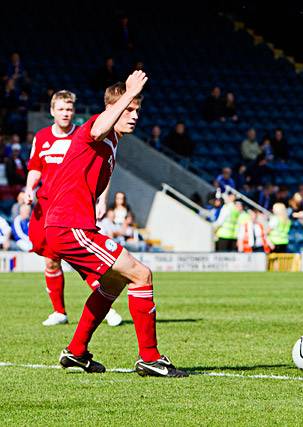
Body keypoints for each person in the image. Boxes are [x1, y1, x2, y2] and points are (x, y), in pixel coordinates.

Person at [44, 71, 187, 377]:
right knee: (141, 275)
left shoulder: (112, 143)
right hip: (70, 226)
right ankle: (150, 357)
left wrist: (99, 200)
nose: (134, 116)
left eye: (137, 110)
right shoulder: (95, 128)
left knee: (113, 282)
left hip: (71, 226)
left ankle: (77, 352)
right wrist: (126, 95)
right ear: (115, 108)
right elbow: (96, 130)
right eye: (129, 110)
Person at [25, 90, 122, 327]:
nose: (65, 114)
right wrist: (29, 188)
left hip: (73, 205)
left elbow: (102, 168)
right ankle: (59, 312)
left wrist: (102, 199)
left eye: (69, 109)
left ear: (73, 112)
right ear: (52, 112)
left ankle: (105, 307)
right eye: (61, 109)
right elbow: (35, 167)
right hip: (46, 205)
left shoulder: (82, 136)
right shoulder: (42, 137)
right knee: (50, 260)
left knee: (82, 259)